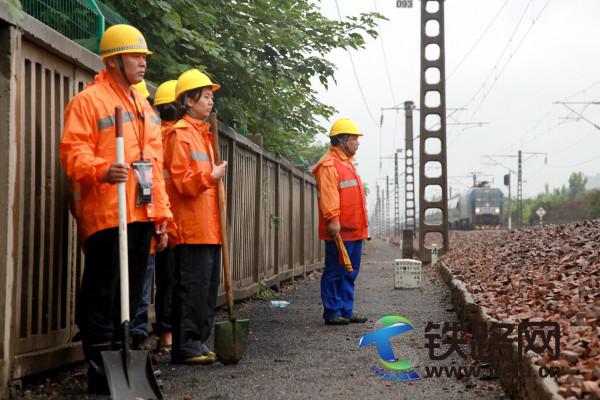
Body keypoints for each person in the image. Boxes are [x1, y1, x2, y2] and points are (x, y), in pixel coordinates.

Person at [60, 24, 172, 393]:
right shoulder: (88, 101)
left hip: (140, 215)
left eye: (143, 57)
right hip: (108, 214)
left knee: (133, 291)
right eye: (137, 56)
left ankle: (125, 359)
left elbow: (155, 168)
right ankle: (98, 368)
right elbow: (73, 154)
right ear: (115, 60)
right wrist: (104, 170)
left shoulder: (143, 106)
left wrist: (162, 216)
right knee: (102, 292)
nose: (143, 63)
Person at [164, 69, 227, 364]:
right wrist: (210, 175)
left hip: (209, 227)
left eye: (211, 95)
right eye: (205, 96)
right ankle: (186, 345)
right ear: (189, 101)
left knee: (206, 288)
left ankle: (200, 341)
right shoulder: (180, 135)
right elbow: (183, 182)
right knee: (191, 288)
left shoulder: (203, 135)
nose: (210, 100)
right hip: (191, 227)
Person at [311, 118, 369, 325]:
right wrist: (333, 220)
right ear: (342, 140)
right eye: (354, 139)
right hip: (340, 230)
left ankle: (346, 310)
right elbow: (329, 196)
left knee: (349, 272)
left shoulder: (346, 164)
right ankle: (332, 312)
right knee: (336, 271)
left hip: (354, 230)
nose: (357, 143)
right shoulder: (329, 165)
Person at [152, 79, 179, 351]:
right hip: (170, 216)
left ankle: (167, 335)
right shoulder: (171, 136)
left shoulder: (155, 135)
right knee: (171, 277)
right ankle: (168, 333)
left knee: (165, 276)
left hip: (159, 214)